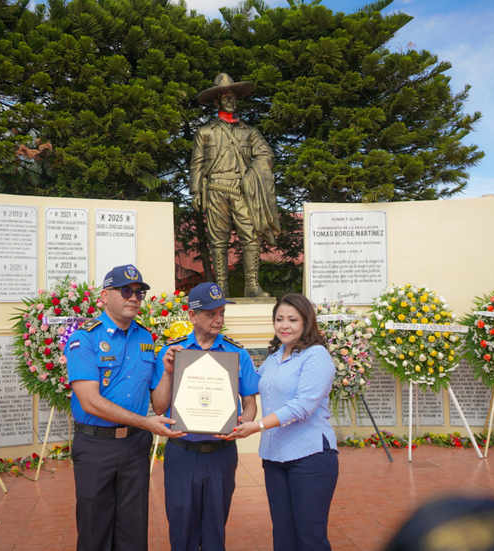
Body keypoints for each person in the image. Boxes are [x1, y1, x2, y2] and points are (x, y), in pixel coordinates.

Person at [64, 264, 184, 551]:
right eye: (126, 291)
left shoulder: (146, 338)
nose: (134, 298)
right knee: (95, 530)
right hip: (96, 445)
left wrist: (167, 371)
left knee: (133, 530)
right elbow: (90, 401)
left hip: (134, 446)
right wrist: (147, 423)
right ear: (105, 296)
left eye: (139, 293)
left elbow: (158, 403)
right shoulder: (85, 338)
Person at [153, 282, 260, 551]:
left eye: (222, 312)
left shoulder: (238, 353)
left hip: (221, 452)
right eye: (211, 314)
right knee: (181, 527)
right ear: (192, 315)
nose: (219, 319)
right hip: (182, 451)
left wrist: (244, 421)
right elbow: (158, 407)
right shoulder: (173, 352)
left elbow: (249, 403)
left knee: (215, 529)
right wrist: (168, 372)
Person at [229, 293, 338, 551]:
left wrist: (257, 426)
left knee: (310, 537)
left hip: (310, 457)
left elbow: (302, 406)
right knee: (283, 536)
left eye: (292, 319)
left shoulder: (316, 356)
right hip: (276, 457)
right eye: (279, 319)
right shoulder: (277, 354)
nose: (284, 326)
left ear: (306, 322)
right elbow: (253, 384)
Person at [189, 72, 281, 298]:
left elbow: (265, 154)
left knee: (250, 235)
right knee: (218, 240)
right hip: (215, 190)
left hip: (242, 190)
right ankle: (221, 289)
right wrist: (196, 191)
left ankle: (252, 286)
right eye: (225, 97)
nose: (230, 100)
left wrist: (253, 172)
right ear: (216, 101)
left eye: (232, 97)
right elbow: (197, 164)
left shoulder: (250, 132)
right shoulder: (205, 132)